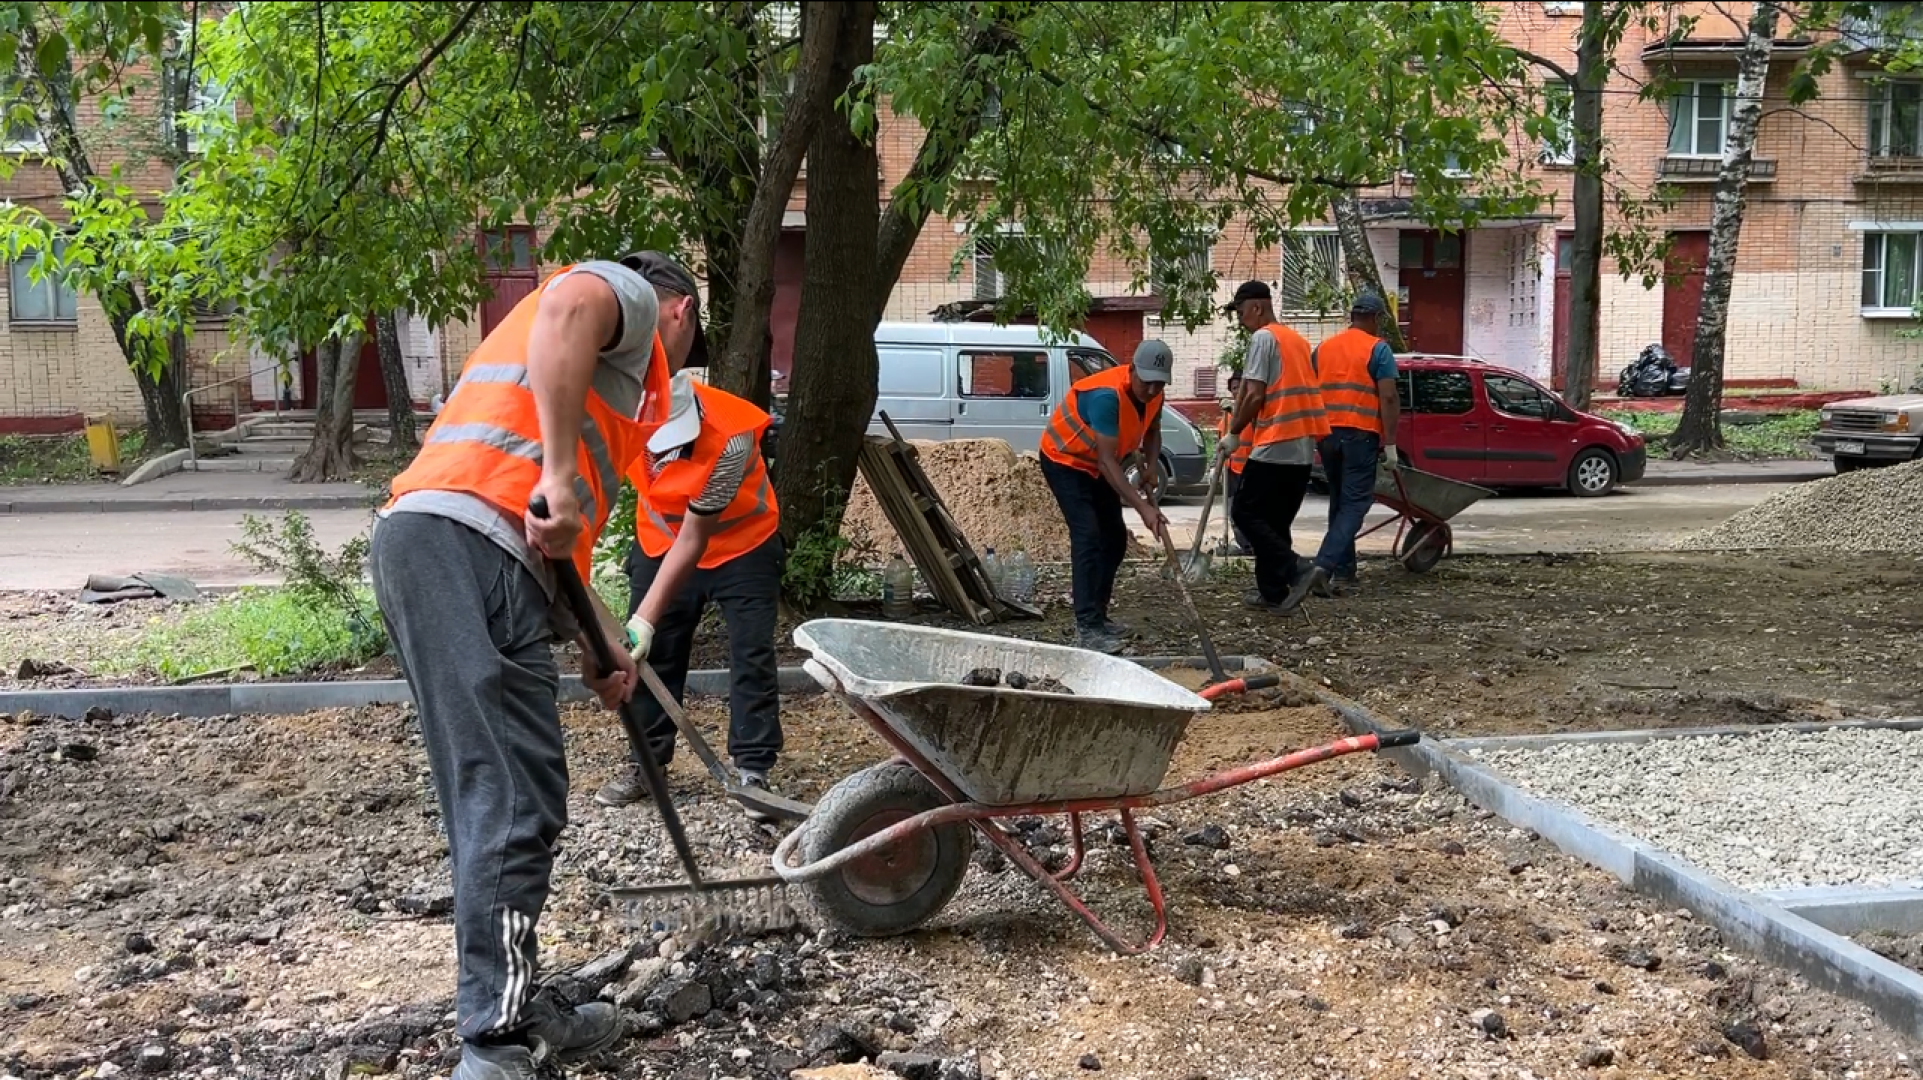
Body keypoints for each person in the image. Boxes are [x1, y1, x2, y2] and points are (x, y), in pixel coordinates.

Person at [370, 250, 707, 1080]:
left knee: (513, 792)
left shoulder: (567, 388)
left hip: (449, 547)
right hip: (464, 546)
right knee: (510, 795)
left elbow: (546, 539)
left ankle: (513, 1006)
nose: (669, 376)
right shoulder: (628, 300)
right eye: (686, 350)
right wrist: (558, 474)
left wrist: (602, 644)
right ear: (682, 312)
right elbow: (572, 305)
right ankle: (492, 1043)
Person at [596, 371, 786, 820]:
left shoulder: (733, 434)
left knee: (751, 654)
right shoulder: (618, 418)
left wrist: (645, 617)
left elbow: (695, 535)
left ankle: (753, 769)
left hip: (743, 545)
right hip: (660, 541)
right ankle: (648, 762)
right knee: (650, 654)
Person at [1039, 339, 1173, 654]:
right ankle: (1087, 626)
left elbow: (1153, 431)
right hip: (1065, 461)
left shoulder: (1155, 394)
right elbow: (1107, 461)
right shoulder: (1105, 396)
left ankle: (1099, 615)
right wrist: (1143, 508)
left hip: (1096, 465)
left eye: (1159, 383)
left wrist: (1151, 466)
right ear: (1133, 370)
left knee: (1114, 538)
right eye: (1147, 382)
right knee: (1087, 535)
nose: (1152, 390)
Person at [1217, 279, 1330, 613]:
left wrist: (1234, 433)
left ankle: (1298, 569)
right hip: (1302, 446)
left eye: (1241, 312)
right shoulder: (1296, 341)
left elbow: (1254, 394)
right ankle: (1274, 593)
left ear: (1257, 307)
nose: (1241, 320)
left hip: (1276, 441)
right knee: (1275, 522)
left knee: (1245, 512)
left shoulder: (1264, 338)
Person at [1288, 291, 1401, 608]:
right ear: (1376, 318)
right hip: (1360, 435)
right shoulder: (1378, 349)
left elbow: (1309, 390)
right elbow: (1389, 397)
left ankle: (1344, 571)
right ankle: (1323, 566)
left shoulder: (1324, 349)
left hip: (1326, 435)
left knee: (1339, 500)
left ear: (1352, 317)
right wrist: (1391, 443)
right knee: (1355, 504)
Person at [1214, 373, 1252, 555]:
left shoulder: (1252, 410)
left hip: (1251, 470)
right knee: (1233, 512)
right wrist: (1217, 465)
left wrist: (1234, 410)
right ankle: (1245, 547)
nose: (1237, 391)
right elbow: (1221, 439)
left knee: (1249, 512)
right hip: (1232, 470)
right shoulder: (1227, 414)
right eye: (1234, 388)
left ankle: (1253, 546)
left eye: (1240, 387)